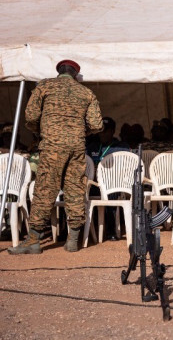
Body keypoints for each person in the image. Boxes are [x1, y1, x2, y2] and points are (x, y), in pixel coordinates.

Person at [9, 59, 103, 254]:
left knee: (45, 188)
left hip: (52, 146)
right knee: (75, 188)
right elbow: (96, 124)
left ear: (59, 71)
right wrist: (77, 131)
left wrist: (43, 129)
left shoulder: (45, 86)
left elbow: (31, 116)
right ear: (75, 75)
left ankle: (34, 240)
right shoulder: (86, 93)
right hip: (76, 146)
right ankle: (73, 241)